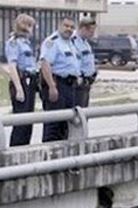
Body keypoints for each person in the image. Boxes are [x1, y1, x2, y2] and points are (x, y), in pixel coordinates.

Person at [39, 16, 81, 142]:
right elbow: (45, 64)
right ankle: (49, 156)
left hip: (69, 86)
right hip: (57, 85)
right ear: (59, 26)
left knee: (66, 124)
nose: (69, 29)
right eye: (66, 26)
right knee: (53, 124)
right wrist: (52, 86)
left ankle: (61, 156)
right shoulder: (52, 42)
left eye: (72, 27)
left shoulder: (70, 43)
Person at [3, 14, 38, 146]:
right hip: (22, 81)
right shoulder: (14, 43)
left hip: (30, 81)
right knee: (21, 121)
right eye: (29, 25)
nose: (32, 29)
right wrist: (19, 88)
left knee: (28, 122)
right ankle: (15, 151)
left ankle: (24, 148)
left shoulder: (26, 43)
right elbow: (12, 66)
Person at [72, 16, 97, 108]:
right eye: (91, 31)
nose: (93, 34)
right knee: (78, 114)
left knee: (84, 113)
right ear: (83, 28)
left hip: (87, 82)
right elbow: (74, 62)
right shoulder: (73, 41)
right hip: (78, 83)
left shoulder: (85, 43)